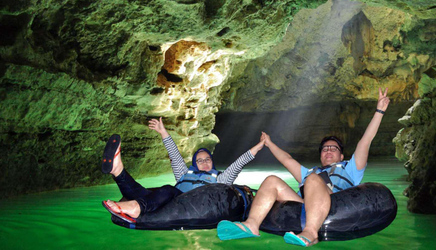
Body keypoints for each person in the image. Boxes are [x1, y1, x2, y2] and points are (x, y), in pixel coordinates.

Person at [217, 88, 390, 247]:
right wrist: (269, 143)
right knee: (272, 181)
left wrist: (379, 111)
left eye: (333, 148)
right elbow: (287, 159)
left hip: (335, 205)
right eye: (325, 148)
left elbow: (365, 142)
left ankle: (311, 233)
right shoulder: (310, 172)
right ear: (321, 154)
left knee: (313, 180)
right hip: (305, 205)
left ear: (341, 156)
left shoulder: (350, 169)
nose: (328, 151)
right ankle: (251, 225)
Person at [101, 117, 265, 223]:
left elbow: (238, 163)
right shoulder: (184, 174)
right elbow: (174, 154)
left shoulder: (221, 179)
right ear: (194, 164)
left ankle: (137, 207)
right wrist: (163, 131)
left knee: (167, 190)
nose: (205, 162)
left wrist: (257, 147)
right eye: (200, 161)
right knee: (146, 192)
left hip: (194, 206)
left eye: (207, 159)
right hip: (170, 202)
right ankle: (118, 170)